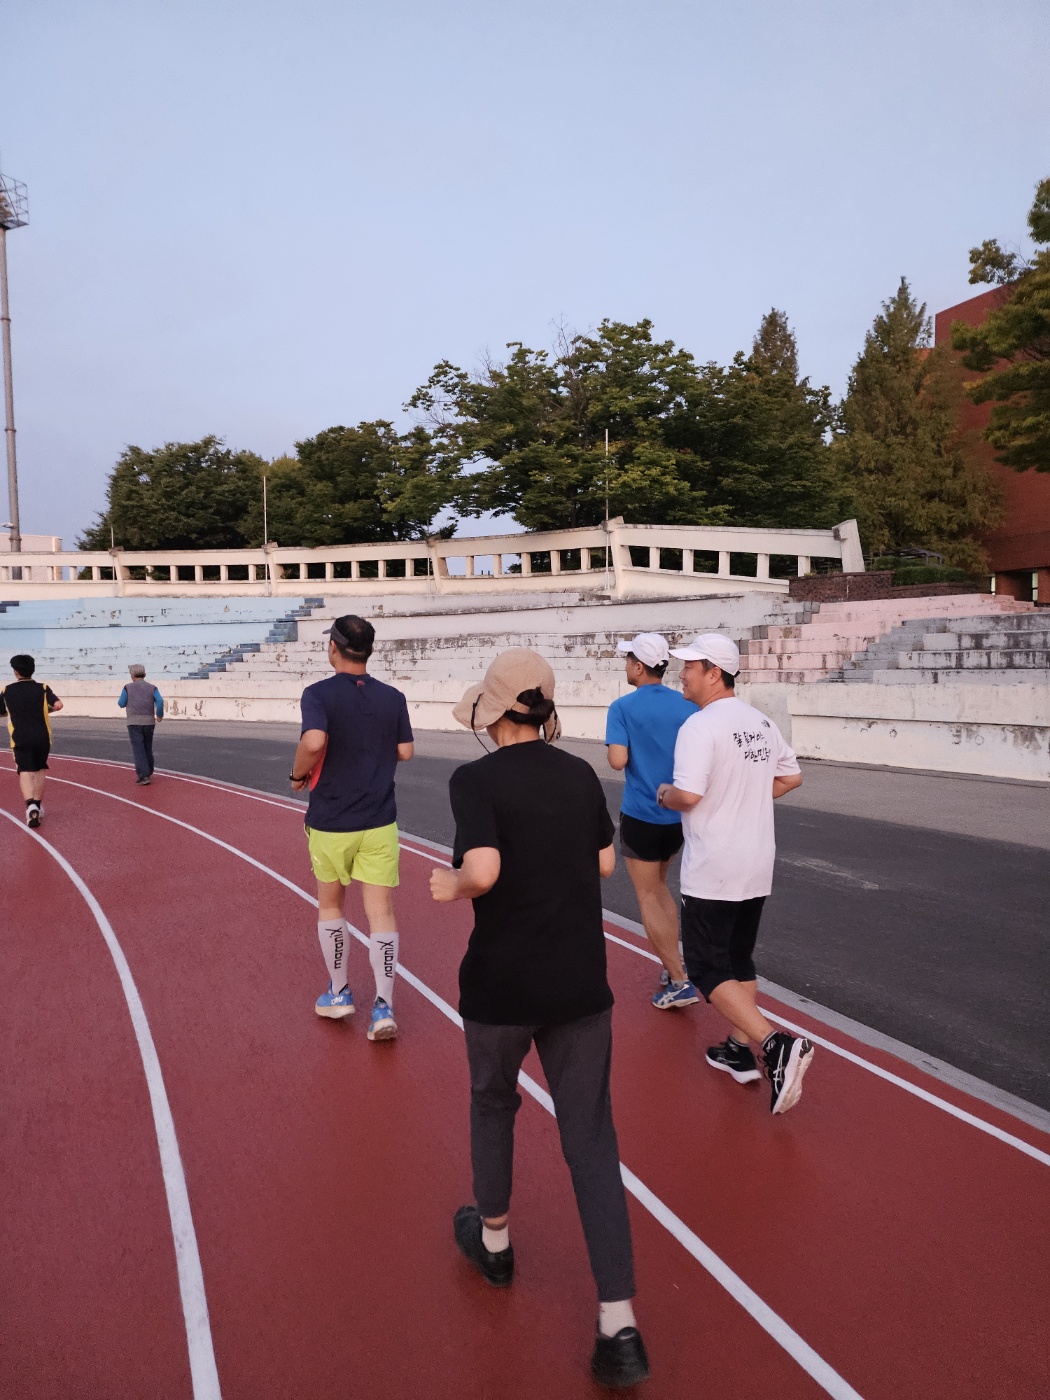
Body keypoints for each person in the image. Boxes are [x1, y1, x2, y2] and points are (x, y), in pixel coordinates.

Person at [430, 648, 649, 1391]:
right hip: (580, 982)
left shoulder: (475, 780)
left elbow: (484, 870)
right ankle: (618, 1324)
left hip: (501, 985)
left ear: (492, 713)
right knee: (591, 1139)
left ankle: (494, 1242)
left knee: (494, 1103)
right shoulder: (580, 774)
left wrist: (451, 884)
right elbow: (605, 864)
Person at [655, 633, 814, 1116]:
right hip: (756, 859)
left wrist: (664, 794)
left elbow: (688, 795)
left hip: (715, 865)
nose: (681, 674)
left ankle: (774, 1043)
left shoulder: (700, 726)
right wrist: (745, 797)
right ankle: (737, 1048)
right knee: (739, 960)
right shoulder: (759, 722)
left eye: (690, 666)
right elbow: (791, 777)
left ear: (714, 673)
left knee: (706, 967)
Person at [290, 614, 414, 1042]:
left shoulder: (318, 694)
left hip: (331, 820)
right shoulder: (393, 697)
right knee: (381, 912)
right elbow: (405, 750)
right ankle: (383, 1007)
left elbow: (313, 742)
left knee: (331, 906)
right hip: (379, 821)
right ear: (369, 651)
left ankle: (340, 992)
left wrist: (297, 775)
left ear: (334, 648)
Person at [605, 632, 699, 1009]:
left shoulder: (622, 707)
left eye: (628, 660)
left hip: (642, 813)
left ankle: (678, 979)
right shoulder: (687, 705)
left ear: (640, 667)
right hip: (677, 814)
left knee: (648, 895)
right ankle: (674, 963)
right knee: (661, 887)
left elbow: (617, 761)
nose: (626, 666)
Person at [0, 654, 63, 828]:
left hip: (20, 737)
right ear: (32, 670)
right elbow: (58, 705)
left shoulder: (7, 690)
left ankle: (31, 806)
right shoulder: (43, 688)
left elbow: (1, 711)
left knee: (25, 771)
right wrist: (45, 711)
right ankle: (37, 803)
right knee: (40, 768)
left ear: (15, 671)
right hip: (42, 736)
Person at [118, 664, 165, 784]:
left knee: (138, 748)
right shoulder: (152, 687)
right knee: (147, 746)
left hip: (134, 722)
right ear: (144, 674)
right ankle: (149, 769)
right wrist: (159, 715)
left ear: (132, 675)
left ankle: (143, 775)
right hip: (149, 722)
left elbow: (121, 703)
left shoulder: (127, 687)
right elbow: (159, 701)